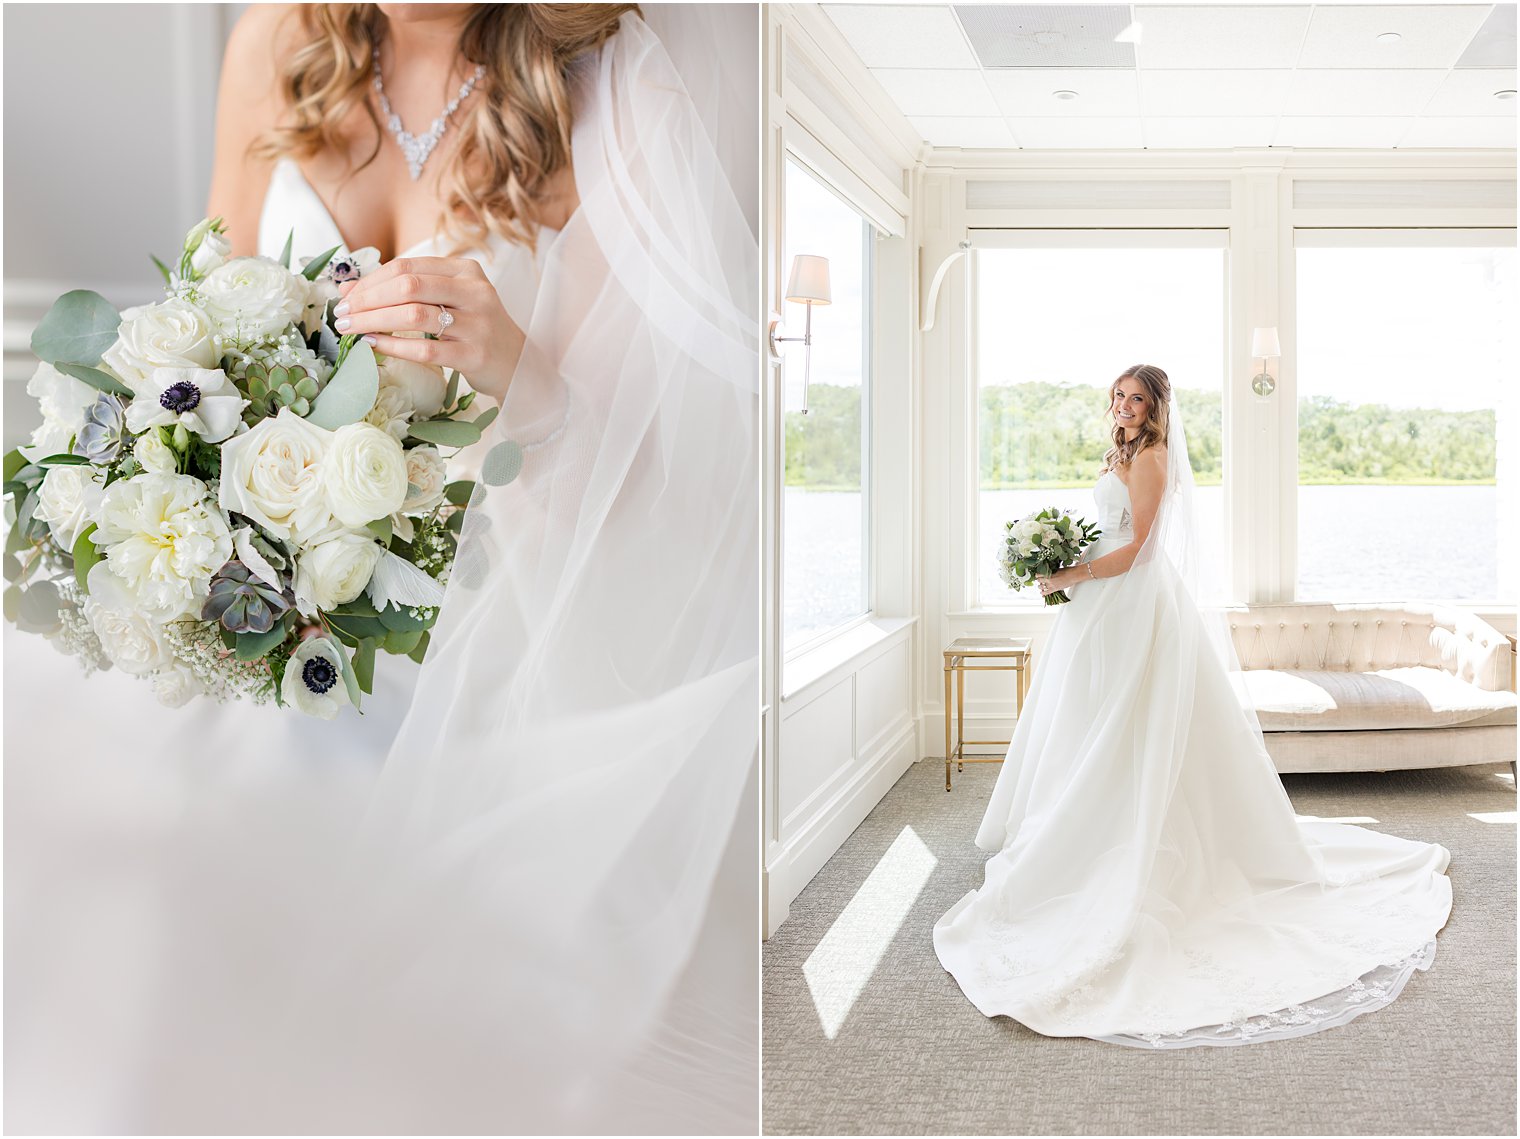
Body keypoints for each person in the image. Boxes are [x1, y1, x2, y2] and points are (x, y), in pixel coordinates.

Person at [4, 4, 758, 1132]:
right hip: (265, 592)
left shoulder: (607, 92)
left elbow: (620, 491)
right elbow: (200, 325)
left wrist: (511, 360)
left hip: (492, 618)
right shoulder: (277, 40)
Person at [933, 363, 1452, 1048]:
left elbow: (1140, 550)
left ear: (1155, 410)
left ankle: (1127, 847)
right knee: (1092, 728)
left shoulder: (1149, 457)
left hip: (1134, 606)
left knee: (1128, 728)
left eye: (1136, 398)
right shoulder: (1120, 451)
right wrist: (1066, 563)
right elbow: (1109, 533)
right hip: (1101, 608)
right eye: (1118, 395)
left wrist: (1071, 572)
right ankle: (1079, 830)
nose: (1123, 405)